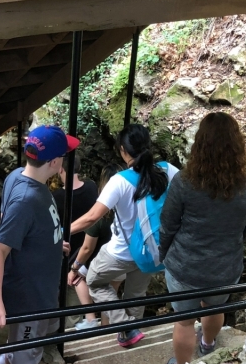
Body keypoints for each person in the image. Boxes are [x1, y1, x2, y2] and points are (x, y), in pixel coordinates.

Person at [159, 112, 246, 364]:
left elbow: (168, 224)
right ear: (237, 144)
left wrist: (164, 254)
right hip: (225, 266)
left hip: (185, 266)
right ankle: (208, 345)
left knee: (183, 320)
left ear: (199, 143)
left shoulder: (185, 181)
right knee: (215, 308)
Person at [0, 125, 78, 364]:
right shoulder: (27, 198)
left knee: (27, 340)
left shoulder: (17, 177)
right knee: (25, 349)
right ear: (55, 161)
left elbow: (22, 229)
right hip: (29, 297)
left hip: (39, 286)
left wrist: (49, 243)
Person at [69, 123, 179, 348]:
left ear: (122, 150)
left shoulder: (119, 181)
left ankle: (125, 327)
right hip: (153, 249)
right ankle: (129, 334)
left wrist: (63, 231)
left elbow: (92, 217)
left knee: (94, 281)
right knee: (136, 294)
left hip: (121, 252)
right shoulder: (168, 170)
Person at [67, 165, 121, 329]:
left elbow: (87, 249)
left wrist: (74, 269)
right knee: (110, 294)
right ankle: (106, 328)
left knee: (77, 278)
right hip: (123, 262)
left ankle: (91, 320)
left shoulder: (100, 217)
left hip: (105, 261)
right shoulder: (124, 212)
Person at [52, 157, 100, 331]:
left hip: (69, 249)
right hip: (93, 243)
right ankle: (90, 319)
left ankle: (85, 321)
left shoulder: (57, 196)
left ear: (60, 169)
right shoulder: (92, 187)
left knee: (74, 281)